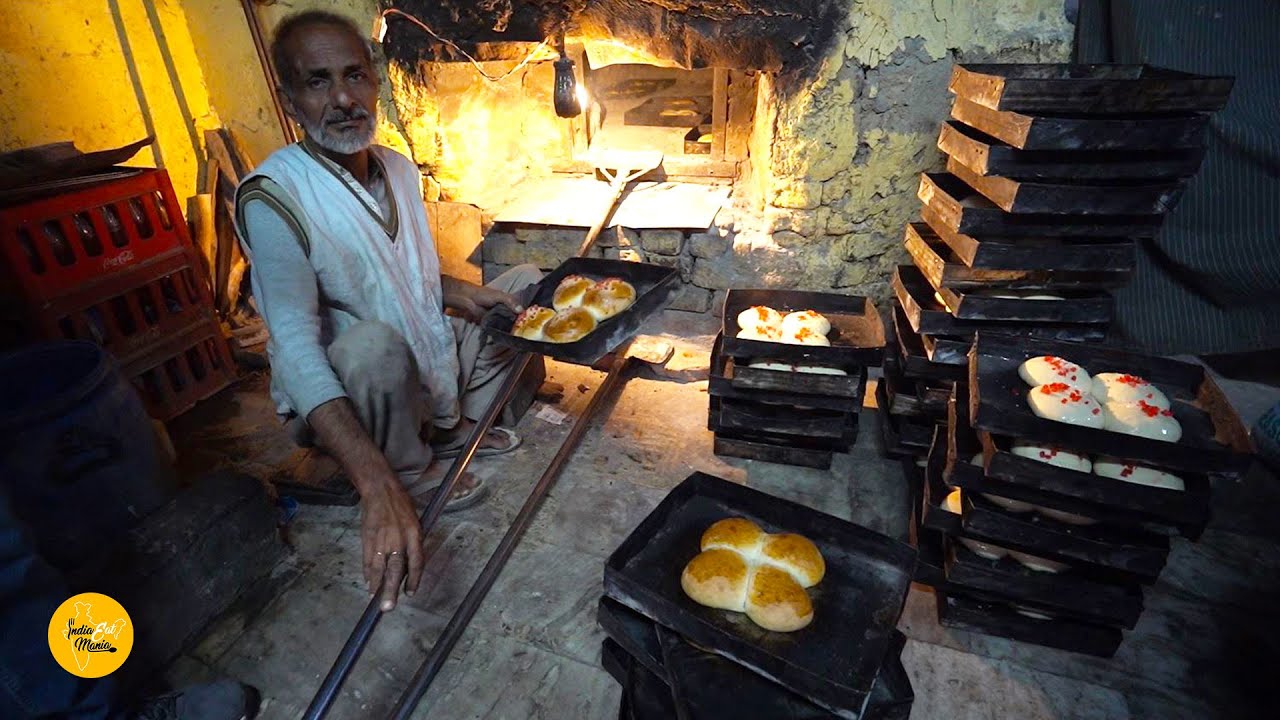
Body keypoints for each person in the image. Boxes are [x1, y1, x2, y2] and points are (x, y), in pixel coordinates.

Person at [233, 11, 541, 613]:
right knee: (372, 347)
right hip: (360, 384)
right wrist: (376, 489)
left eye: (354, 75)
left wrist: (458, 292)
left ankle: (447, 428)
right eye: (318, 82)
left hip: (424, 360)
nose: (344, 98)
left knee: (529, 287)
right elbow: (295, 345)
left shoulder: (396, 167)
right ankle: (402, 468)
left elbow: (391, 273)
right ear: (290, 98)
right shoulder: (272, 197)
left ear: (376, 81)